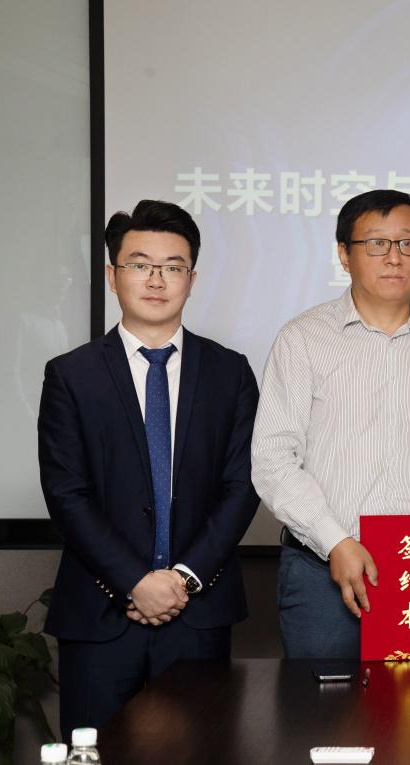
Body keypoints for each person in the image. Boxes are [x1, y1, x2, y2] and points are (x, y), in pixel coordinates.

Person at [39, 200, 259, 736]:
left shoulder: (230, 372)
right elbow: (66, 493)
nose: (156, 279)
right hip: (99, 614)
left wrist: (182, 579)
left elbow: (242, 485)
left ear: (192, 279)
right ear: (112, 276)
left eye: (173, 266)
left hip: (198, 614)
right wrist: (133, 581)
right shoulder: (72, 375)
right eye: (140, 264)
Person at [252, 189, 410, 659]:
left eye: (409, 243)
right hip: (323, 570)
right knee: (320, 704)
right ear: (343, 254)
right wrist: (335, 541)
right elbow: (273, 459)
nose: (394, 257)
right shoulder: (303, 339)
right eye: (376, 243)